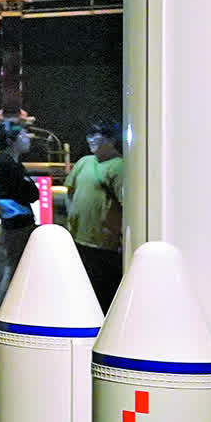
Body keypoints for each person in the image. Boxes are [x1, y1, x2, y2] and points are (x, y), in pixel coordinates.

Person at [66, 119, 125, 309]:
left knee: (103, 293)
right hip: (78, 239)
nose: (90, 140)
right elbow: (70, 191)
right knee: (83, 290)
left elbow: (126, 203)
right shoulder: (84, 162)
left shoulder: (119, 166)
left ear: (111, 139)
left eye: (96, 136)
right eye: (89, 135)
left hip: (104, 244)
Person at [0, 117, 38, 288]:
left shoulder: (8, 162)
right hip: (17, 224)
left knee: (15, 266)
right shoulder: (7, 164)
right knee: (15, 267)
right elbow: (32, 194)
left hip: (15, 221)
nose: (28, 138)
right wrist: (29, 184)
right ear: (12, 141)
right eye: (23, 135)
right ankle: (7, 302)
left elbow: (29, 191)